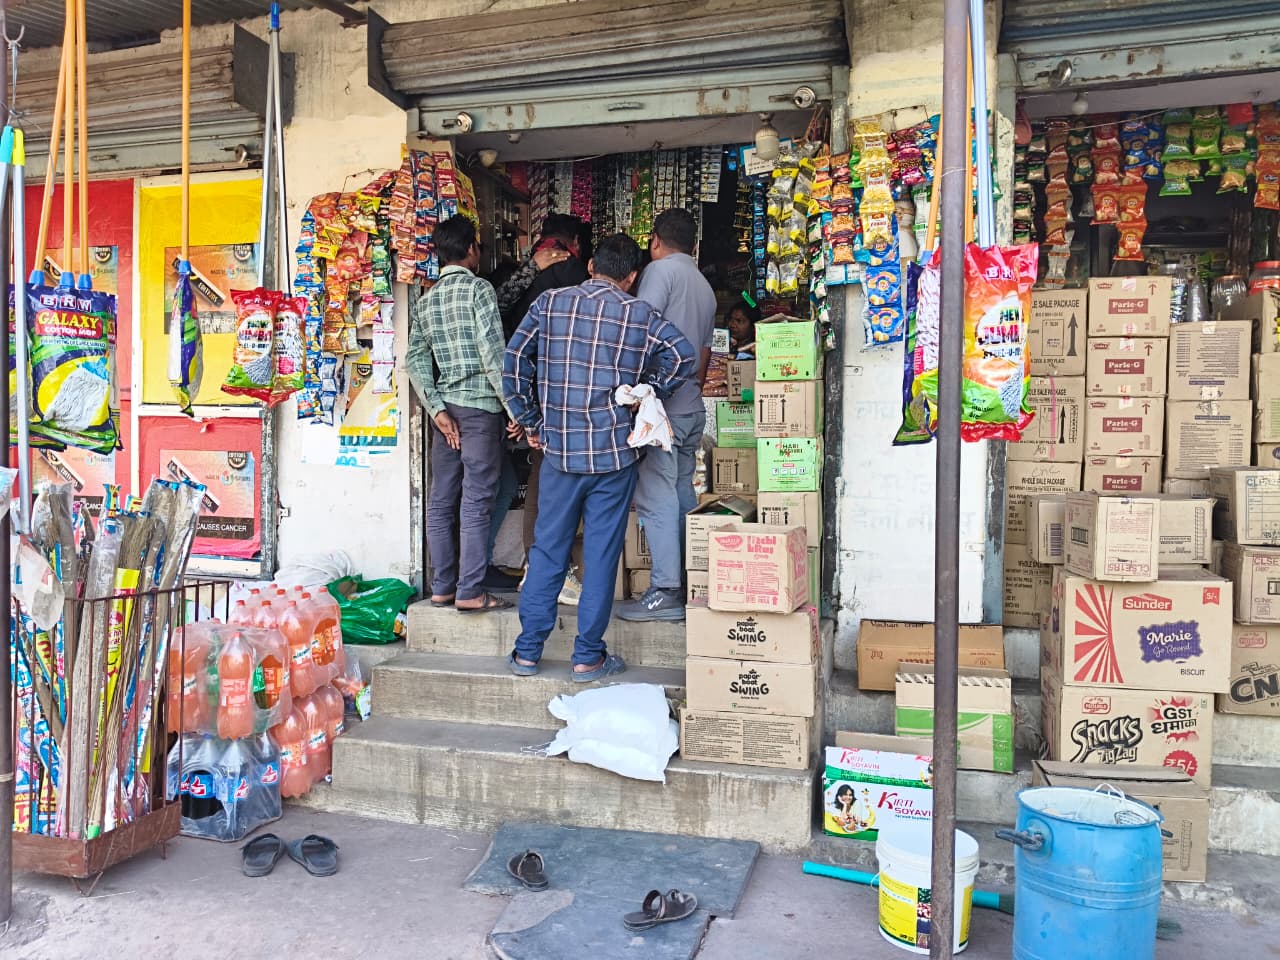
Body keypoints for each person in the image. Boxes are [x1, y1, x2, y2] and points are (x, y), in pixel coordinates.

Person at [503, 233, 696, 680]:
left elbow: (514, 362)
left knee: (547, 550)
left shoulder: (550, 303)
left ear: (591, 265)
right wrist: (648, 389)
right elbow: (682, 356)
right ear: (632, 277)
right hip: (613, 458)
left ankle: (527, 652)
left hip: (559, 453)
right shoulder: (640, 314)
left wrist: (531, 420)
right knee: (603, 554)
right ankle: (587, 656)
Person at [406, 215, 522, 615]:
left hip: (447, 417)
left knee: (441, 501)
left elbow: (415, 360)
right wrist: (515, 409)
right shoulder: (479, 289)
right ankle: (470, 589)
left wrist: (436, 409)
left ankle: (442, 587)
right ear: (471, 249)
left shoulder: (426, 300)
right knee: (476, 502)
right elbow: (492, 355)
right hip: (479, 413)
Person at [616, 208, 716, 622]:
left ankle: (665, 591)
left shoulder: (659, 272)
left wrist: (633, 392)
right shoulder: (704, 285)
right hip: (691, 406)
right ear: (695, 244)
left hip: (662, 411)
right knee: (681, 493)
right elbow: (705, 354)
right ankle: (690, 582)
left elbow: (637, 333)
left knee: (656, 497)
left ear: (655, 240)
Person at [495, 214, 593, 602]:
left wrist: (517, 407)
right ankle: (552, 571)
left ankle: (539, 568)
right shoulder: (574, 274)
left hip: (530, 390)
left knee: (544, 475)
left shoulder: (521, 275)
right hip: (569, 391)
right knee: (561, 480)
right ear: (576, 243)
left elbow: (504, 329)